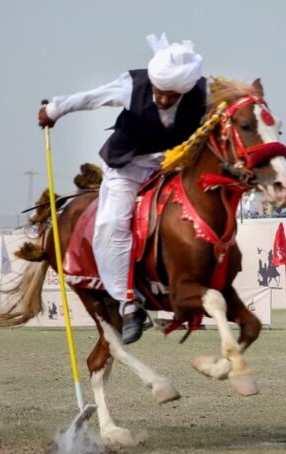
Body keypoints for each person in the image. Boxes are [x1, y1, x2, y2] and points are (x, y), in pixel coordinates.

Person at [38, 33, 206, 344]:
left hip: (174, 166)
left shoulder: (200, 92)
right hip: (127, 167)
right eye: (161, 93)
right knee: (112, 222)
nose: (166, 99)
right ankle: (129, 305)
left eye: (173, 95)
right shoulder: (133, 85)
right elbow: (91, 98)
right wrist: (54, 110)